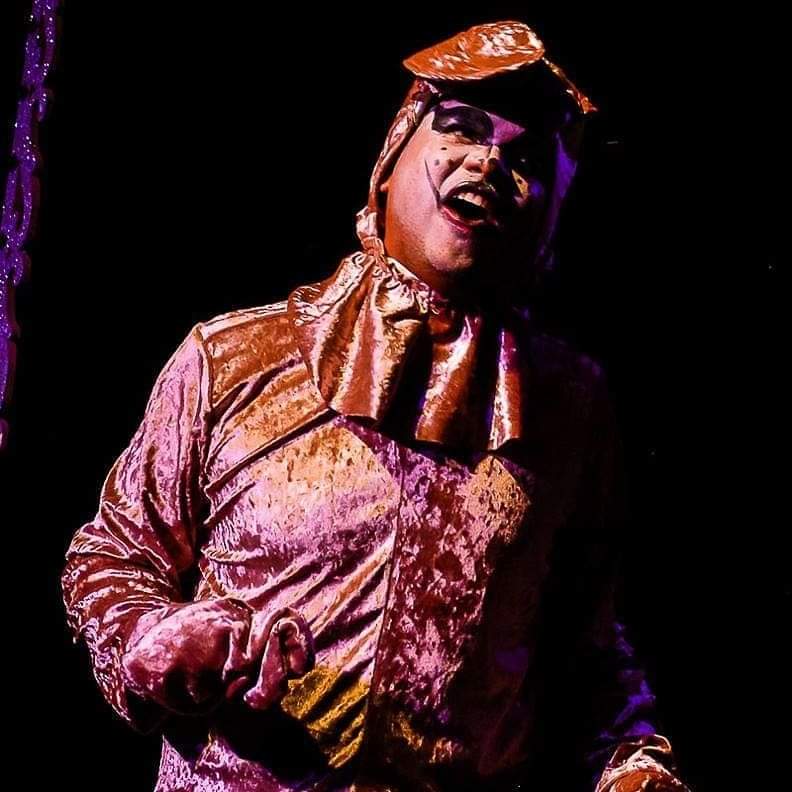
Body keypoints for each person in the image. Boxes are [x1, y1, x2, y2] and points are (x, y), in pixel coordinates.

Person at [61, 21, 691, 792]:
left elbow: (586, 650)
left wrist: (632, 761)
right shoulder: (233, 358)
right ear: (392, 159)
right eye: (462, 129)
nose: (490, 163)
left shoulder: (570, 410)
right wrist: (152, 635)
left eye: (527, 159)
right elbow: (114, 555)